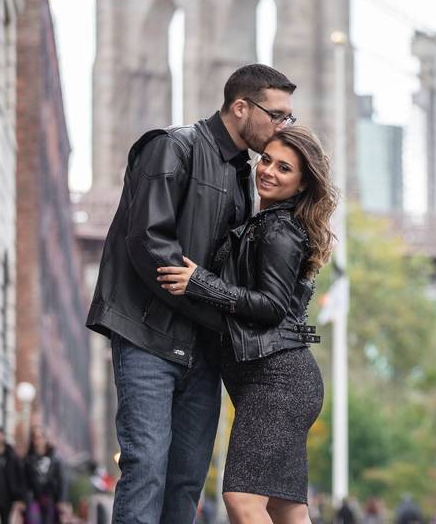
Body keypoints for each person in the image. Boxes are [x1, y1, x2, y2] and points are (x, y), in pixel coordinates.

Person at [85, 63, 298, 523]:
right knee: (145, 466)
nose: (283, 126)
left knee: (186, 479)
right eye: (277, 115)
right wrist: (219, 311)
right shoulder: (171, 147)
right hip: (148, 337)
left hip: (203, 350)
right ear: (241, 107)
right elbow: (150, 244)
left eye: (288, 118)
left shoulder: (246, 174)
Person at [157, 126, 336, 524]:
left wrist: (201, 283)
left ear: (302, 183)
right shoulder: (272, 222)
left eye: (284, 168)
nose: (268, 171)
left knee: (241, 498)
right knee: (286, 507)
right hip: (283, 380)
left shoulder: (278, 228)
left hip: (277, 380)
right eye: (266, 160)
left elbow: (271, 306)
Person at [23, 426, 67, 524]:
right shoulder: (28, 459)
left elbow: (61, 479)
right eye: (34, 437)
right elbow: (24, 481)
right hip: (34, 498)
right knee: (33, 521)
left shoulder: (55, 457)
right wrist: (23, 499)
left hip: (50, 498)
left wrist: (61, 500)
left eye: (39, 437)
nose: (37, 440)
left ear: (45, 439)